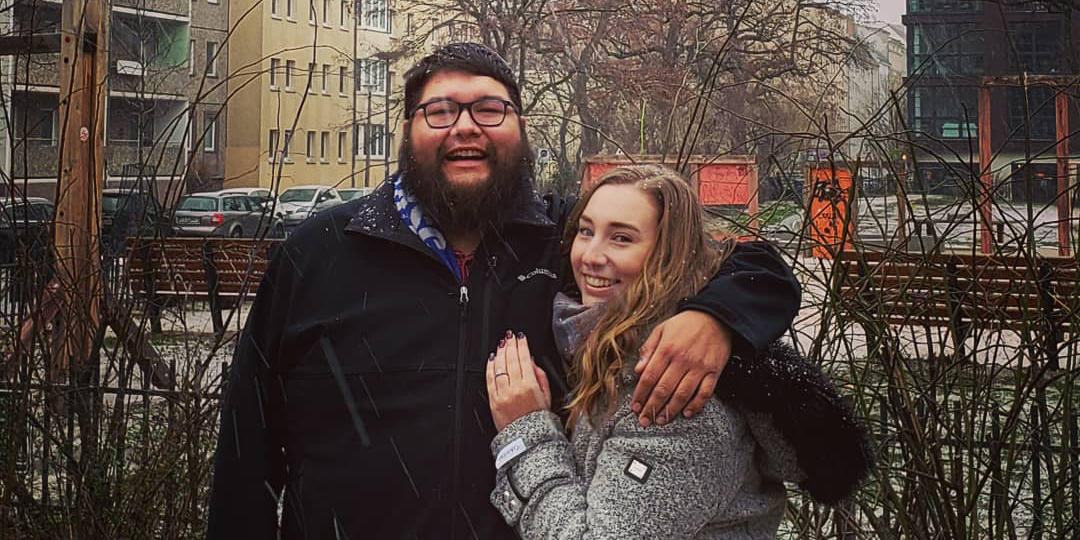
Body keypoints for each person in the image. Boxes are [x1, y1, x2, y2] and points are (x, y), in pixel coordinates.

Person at [207, 43, 802, 539]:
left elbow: (755, 267)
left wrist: (715, 318)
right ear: (408, 130)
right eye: (439, 111)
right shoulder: (321, 252)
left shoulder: (567, 240)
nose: (465, 125)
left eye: (490, 109)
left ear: (520, 128)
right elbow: (249, 449)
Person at [486, 165, 804, 538]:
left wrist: (526, 434)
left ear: (669, 256)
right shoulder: (603, 346)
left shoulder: (673, 386)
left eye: (621, 238)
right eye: (586, 231)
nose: (590, 255)